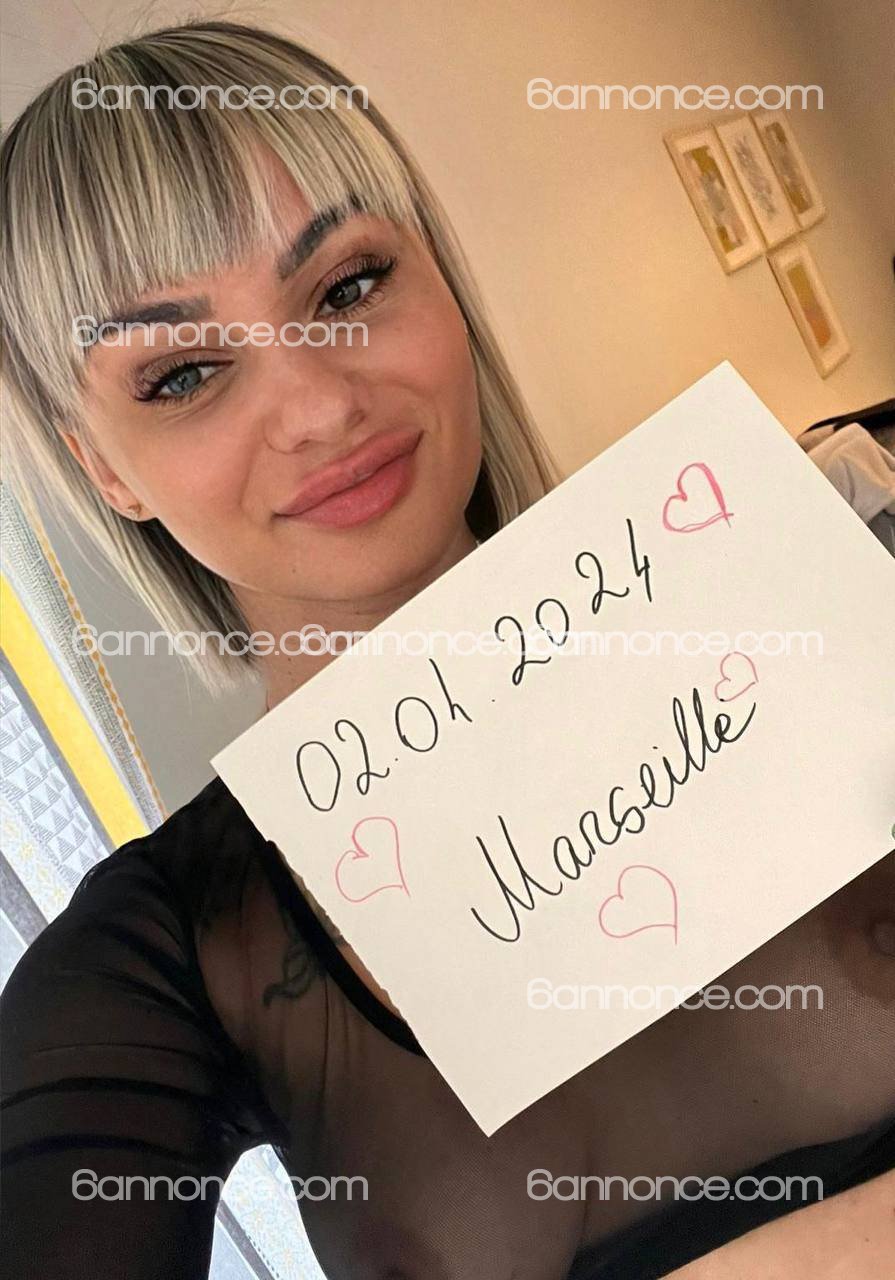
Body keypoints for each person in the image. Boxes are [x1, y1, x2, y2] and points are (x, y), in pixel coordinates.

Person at [1, 20, 892, 1280]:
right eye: (186, 372)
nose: (320, 407)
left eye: (347, 288)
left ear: (441, 284)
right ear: (104, 468)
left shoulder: (831, 574)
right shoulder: (166, 958)